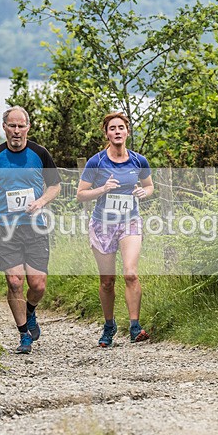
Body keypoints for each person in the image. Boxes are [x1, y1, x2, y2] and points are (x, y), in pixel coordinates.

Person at [0, 106, 61, 354]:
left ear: (28, 128)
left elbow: (55, 186)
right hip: (5, 228)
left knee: (38, 284)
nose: (17, 131)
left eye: (21, 126)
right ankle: (24, 335)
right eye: (12, 126)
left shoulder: (40, 153)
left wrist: (41, 201)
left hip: (35, 227)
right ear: (4, 127)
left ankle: (30, 311)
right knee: (14, 281)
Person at [77, 112, 154, 347]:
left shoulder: (139, 160)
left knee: (130, 273)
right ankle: (109, 326)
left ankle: (135, 326)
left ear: (127, 132)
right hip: (103, 224)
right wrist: (102, 189)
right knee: (107, 280)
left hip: (130, 221)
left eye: (121, 127)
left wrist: (144, 192)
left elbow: (149, 186)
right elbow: (80, 195)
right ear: (106, 133)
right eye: (112, 128)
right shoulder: (97, 162)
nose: (117, 132)